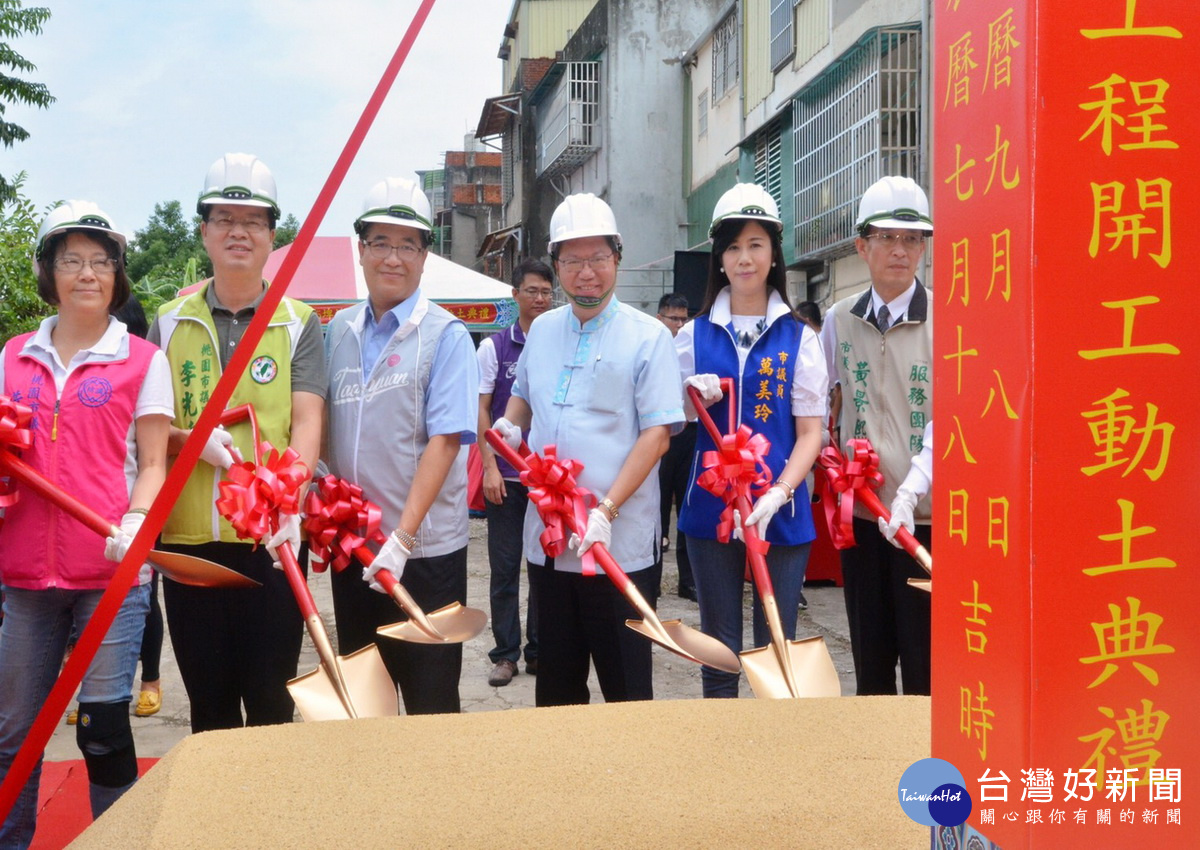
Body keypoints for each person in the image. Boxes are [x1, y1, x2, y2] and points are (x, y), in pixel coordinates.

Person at [0, 202, 173, 844]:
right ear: (48, 271)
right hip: (23, 579)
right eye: (71, 260)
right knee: (15, 731)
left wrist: (135, 520)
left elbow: (154, 462)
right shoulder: (14, 356)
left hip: (110, 573)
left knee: (102, 730)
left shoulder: (141, 360)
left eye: (101, 262)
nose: (87, 274)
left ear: (117, 276)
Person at [148, 153, 327, 732]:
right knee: (210, 705)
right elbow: (148, 430)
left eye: (252, 221)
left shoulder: (298, 322)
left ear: (272, 234)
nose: (238, 232)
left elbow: (306, 423)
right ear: (203, 231)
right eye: (223, 218)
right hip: (190, 543)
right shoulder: (168, 322)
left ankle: (269, 820)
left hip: (269, 543)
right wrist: (187, 441)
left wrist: (291, 501)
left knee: (272, 701)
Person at [494, 193, 684, 706]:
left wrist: (606, 508)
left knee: (625, 686)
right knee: (556, 684)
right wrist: (511, 427)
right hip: (552, 545)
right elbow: (523, 398)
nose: (586, 273)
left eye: (598, 258)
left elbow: (658, 433)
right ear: (556, 266)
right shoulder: (545, 330)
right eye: (573, 260)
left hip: (616, 543)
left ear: (617, 258)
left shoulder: (647, 337)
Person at [324, 178, 479, 715]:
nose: (393, 258)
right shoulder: (338, 329)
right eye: (381, 243)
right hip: (355, 549)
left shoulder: (445, 335)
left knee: (430, 699)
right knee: (367, 697)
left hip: (423, 553)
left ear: (424, 254)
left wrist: (404, 536)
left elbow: (445, 440)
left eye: (407, 244)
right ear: (361, 250)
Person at [675, 183, 827, 699]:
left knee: (776, 635)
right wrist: (686, 396)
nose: (745, 258)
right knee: (718, 641)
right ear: (719, 257)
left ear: (773, 253)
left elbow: (812, 432)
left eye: (756, 244)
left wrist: (781, 491)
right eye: (734, 246)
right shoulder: (691, 336)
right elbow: (667, 422)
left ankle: (774, 751)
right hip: (710, 505)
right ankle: (722, 749)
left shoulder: (799, 338)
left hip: (778, 506)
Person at [819, 175, 934, 696]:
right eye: (887, 238)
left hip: (926, 524)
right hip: (863, 519)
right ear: (862, 246)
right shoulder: (838, 320)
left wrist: (911, 493)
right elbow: (822, 398)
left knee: (927, 663)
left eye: (912, 239)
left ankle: (927, 774)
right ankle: (875, 772)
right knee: (870, 660)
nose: (901, 251)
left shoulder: (953, 320)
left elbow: (955, 423)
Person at [477, 258, 553, 686]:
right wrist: (489, 466)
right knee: (505, 568)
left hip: (546, 480)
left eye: (546, 292)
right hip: (505, 477)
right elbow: (483, 410)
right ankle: (505, 654)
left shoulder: (558, 344)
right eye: (532, 291)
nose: (540, 299)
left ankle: (540, 651)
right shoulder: (495, 347)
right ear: (515, 295)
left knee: (543, 565)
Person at [113, 296, 165, 718]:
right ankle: (94, 685)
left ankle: (150, 678)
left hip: (141, 506)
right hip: (91, 513)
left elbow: (156, 452)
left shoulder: (146, 364)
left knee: (144, 596)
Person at [654, 292, 697, 601]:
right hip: (660, 434)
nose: (680, 324)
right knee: (655, 506)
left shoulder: (693, 347)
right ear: (660, 318)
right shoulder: (653, 347)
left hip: (690, 432)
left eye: (684, 318)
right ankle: (650, 576)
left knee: (688, 505)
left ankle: (689, 580)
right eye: (674, 318)